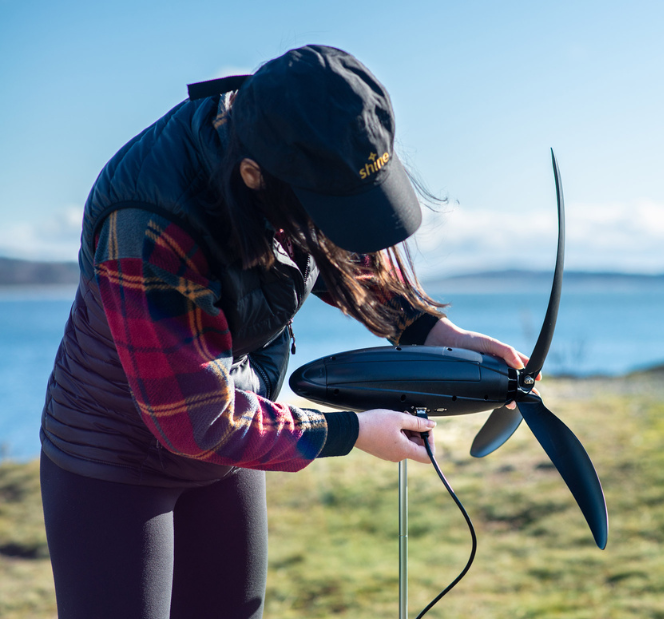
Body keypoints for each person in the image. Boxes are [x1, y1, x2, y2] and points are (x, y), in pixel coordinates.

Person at [39, 45, 532, 619]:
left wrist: (434, 330)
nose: (334, 227)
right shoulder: (147, 226)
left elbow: (344, 251)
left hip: (228, 429)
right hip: (115, 455)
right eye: (326, 208)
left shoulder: (307, 129)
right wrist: (351, 431)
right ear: (252, 178)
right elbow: (194, 418)